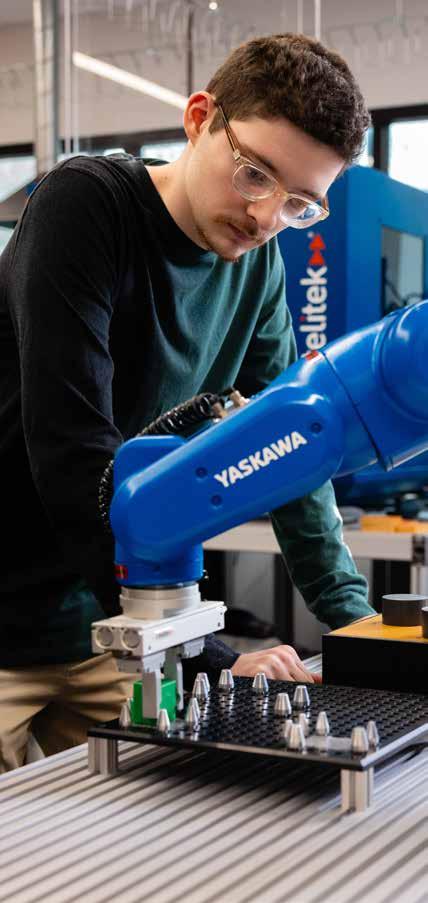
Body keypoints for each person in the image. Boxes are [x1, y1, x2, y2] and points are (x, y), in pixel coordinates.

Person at [0, 32, 376, 771]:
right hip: (13, 622)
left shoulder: (259, 271)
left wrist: (359, 625)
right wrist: (204, 653)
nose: (266, 216)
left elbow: (295, 443)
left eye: (300, 203)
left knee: (156, 822)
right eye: (254, 174)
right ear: (200, 118)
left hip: (115, 634)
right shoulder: (86, 205)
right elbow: (75, 458)